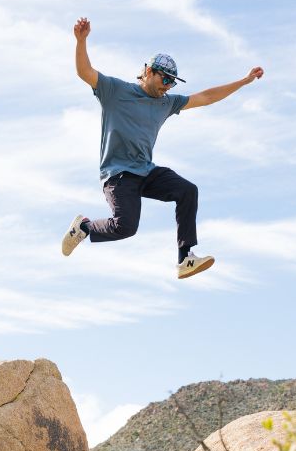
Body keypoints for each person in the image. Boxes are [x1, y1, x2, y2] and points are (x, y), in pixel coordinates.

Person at [62, 16, 264, 279]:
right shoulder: (115, 91)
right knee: (126, 227)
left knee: (187, 190)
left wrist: (243, 81)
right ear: (148, 71)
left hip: (146, 171)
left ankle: (185, 258)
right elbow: (85, 72)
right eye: (164, 79)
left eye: (172, 82)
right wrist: (81, 41)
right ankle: (85, 227)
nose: (167, 86)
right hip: (118, 175)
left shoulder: (166, 103)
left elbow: (205, 97)